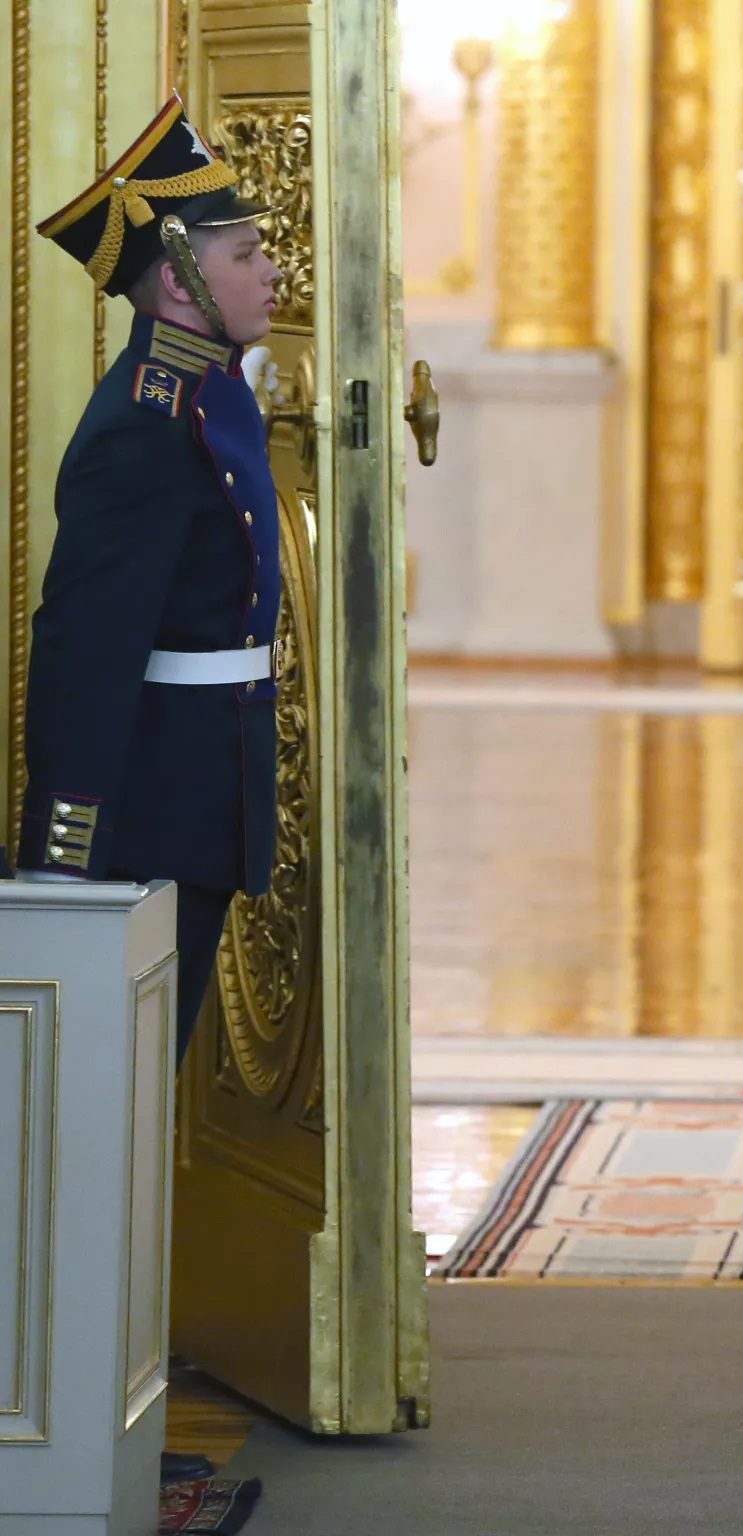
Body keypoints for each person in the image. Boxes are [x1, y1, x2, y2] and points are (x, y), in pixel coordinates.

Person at [15, 95, 281, 1484]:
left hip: (207, 795)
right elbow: (85, 648)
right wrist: (64, 857)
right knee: (107, 1135)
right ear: (175, 277)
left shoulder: (214, 397)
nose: (268, 269)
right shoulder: (143, 423)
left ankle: (117, 1424)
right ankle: (87, 1435)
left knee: (142, 1123)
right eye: (242, 252)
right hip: (146, 824)